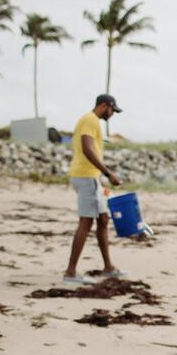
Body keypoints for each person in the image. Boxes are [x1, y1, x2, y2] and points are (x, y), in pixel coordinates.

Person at [63, 94, 126, 285]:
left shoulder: (92, 121)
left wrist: (99, 179)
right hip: (85, 176)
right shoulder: (90, 120)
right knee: (86, 222)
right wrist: (108, 173)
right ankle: (71, 272)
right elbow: (87, 149)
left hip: (91, 177)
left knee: (103, 219)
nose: (113, 114)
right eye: (112, 110)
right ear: (104, 106)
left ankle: (108, 267)